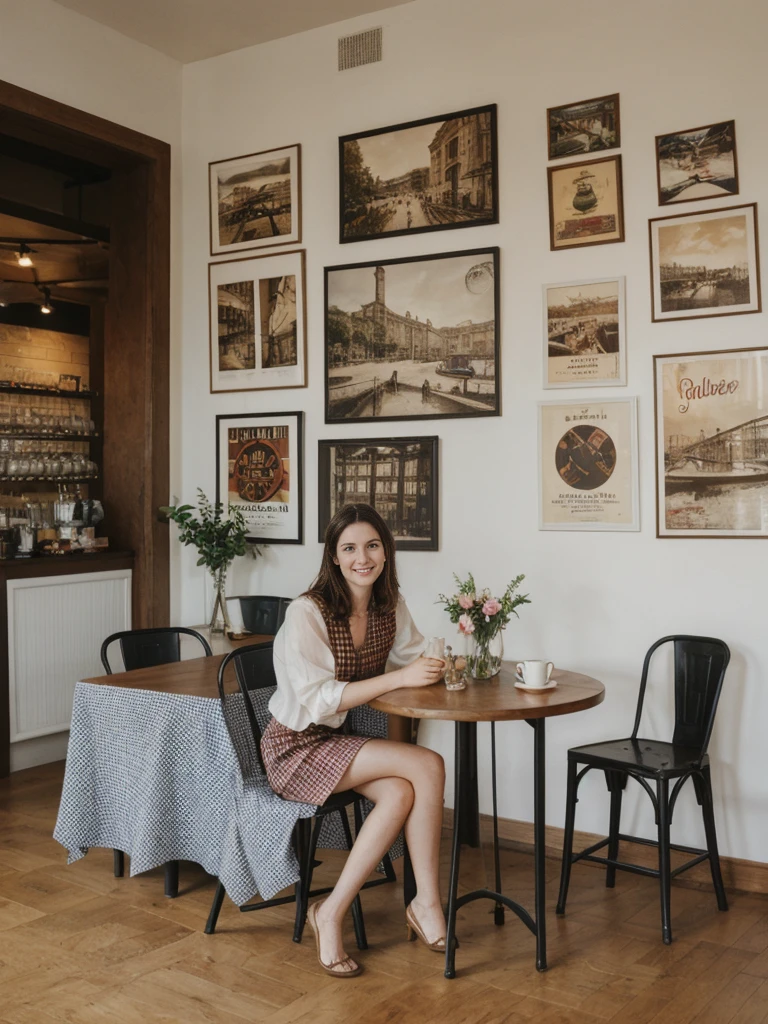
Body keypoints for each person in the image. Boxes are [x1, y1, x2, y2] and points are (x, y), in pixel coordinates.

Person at [261, 503, 447, 978]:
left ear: (385, 551)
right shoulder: (307, 611)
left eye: (371, 545)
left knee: (403, 789)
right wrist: (399, 677)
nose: (362, 557)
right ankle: (426, 904)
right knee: (428, 765)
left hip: (338, 744)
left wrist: (449, 655)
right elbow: (321, 701)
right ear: (334, 556)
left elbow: (412, 656)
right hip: (296, 749)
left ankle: (331, 910)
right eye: (349, 548)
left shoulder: (389, 604)